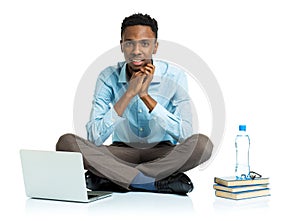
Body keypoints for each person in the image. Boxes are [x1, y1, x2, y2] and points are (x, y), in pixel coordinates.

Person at [56, 13, 213, 195]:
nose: (136, 50)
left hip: (162, 153)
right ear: (122, 45)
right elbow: (94, 138)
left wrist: (145, 96)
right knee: (66, 143)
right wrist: (129, 94)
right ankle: (151, 182)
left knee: (203, 145)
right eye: (129, 43)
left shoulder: (174, 76)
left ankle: (114, 178)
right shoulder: (107, 76)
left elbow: (186, 135)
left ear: (155, 47)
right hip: (121, 153)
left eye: (145, 43)